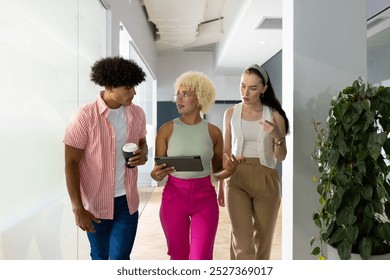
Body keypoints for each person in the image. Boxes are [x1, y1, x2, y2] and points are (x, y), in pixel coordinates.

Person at [64, 56, 149, 260]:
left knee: (120, 258)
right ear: (110, 86)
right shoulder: (84, 116)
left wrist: (143, 154)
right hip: (95, 204)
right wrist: (78, 208)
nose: (134, 92)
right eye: (128, 87)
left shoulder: (137, 114)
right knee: (100, 257)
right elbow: (71, 163)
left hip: (127, 203)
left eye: (134, 86)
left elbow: (142, 142)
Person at [150, 71, 238, 260]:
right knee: (178, 256)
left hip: (204, 197)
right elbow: (157, 171)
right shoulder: (166, 130)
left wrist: (229, 171)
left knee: (201, 258)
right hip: (174, 196)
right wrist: (156, 175)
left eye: (186, 94)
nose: (179, 99)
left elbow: (217, 172)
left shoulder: (214, 132)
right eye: (178, 94)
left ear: (200, 98)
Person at [218, 64, 289, 260]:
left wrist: (276, 135)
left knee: (263, 242)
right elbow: (225, 151)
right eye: (242, 86)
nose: (245, 92)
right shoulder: (230, 113)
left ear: (264, 89)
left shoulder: (275, 115)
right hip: (236, 177)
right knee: (241, 242)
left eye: (253, 88)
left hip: (266, 177)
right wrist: (221, 184)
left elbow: (281, 156)